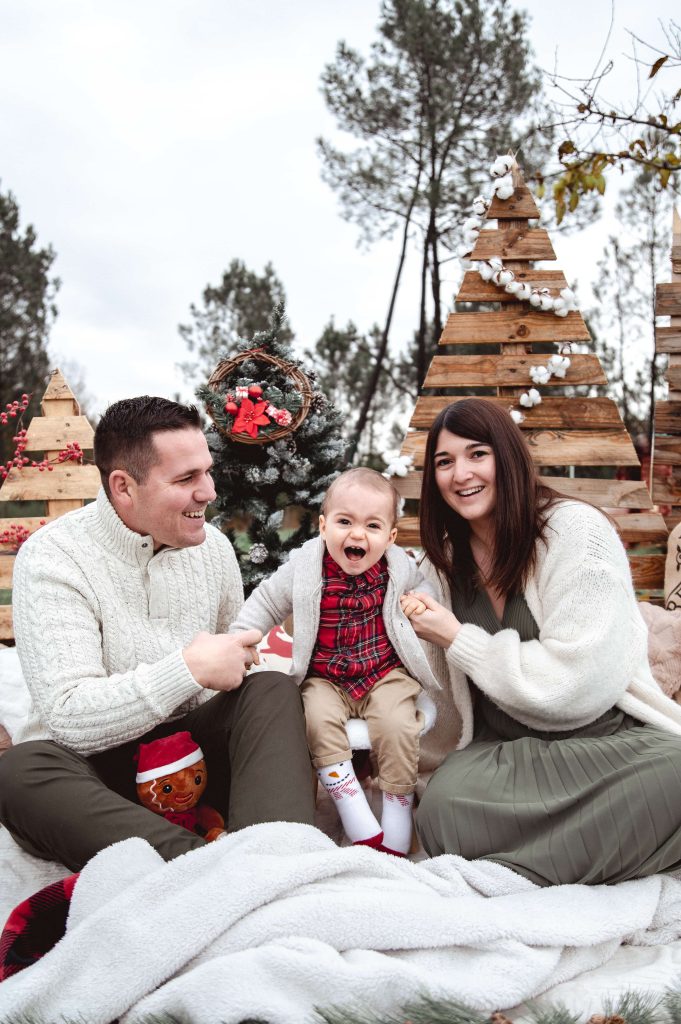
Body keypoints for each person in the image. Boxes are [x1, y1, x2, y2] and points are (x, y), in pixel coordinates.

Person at [0, 396, 315, 872]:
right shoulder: (53, 558)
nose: (208, 492)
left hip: (194, 765)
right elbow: (69, 717)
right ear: (124, 487)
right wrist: (186, 670)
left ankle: (273, 860)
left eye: (206, 472)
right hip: (97, 779)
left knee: (270, 689)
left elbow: (230, 671)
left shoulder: (215, 551)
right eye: (186, 479)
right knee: (19, 773)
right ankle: (225, 872)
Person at [402, 397, 681, 886]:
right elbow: (438, 699)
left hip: (607, 745)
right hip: (505, 758)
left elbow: (576, 686)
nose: (460, 473)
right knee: (443, 808)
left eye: (476, 454)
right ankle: (614, 853)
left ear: (506, 458)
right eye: (444, 462)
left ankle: (529, 868)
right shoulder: (440, 565)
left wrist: (458, 637)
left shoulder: (576, 531)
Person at [230, 467, 440, 856]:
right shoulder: (305, 565)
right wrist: (239, 639)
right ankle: (348, 800)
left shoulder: (399, 566)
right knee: (313, 716)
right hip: (326, 677)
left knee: (397, 724)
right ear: (324, 526)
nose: (357, 535)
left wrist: (420, 602)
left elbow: (426, 589)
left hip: (384, 673)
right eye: (345, 522)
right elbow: (266, 600)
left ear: (390, 538)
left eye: (372, 526)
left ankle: (397, 804)